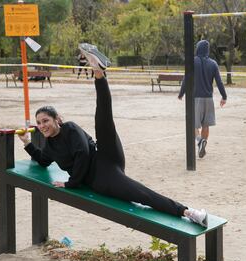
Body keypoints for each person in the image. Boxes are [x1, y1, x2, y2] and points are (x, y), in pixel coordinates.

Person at [18, 44, 208, 227]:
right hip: (102, 178)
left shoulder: (70, 128)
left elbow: (83, 154)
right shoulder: (50, 146)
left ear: (56, 119)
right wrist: (27, 143)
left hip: (106, 155)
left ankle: (98, 72)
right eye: (39, 123)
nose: (42, 126)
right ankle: (189, 212)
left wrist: (71, 183)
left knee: (103, 120)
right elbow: (43, 161)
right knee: (143, 194)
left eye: (46, 121)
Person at [178, 40, 227, 158]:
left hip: (196, 98)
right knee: (206, 125)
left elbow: (186, 79)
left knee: (192, 125)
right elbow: (219, 82)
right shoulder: (213, 64)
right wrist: (224, 96)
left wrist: (181, 93)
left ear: (198, 48)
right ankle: (203, 144)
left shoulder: (192, 62)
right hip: (209, 99)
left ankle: (200, 141)